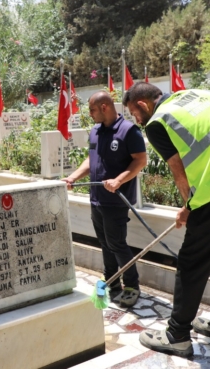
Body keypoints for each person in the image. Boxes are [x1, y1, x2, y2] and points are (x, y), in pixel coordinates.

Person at [123, 83, 210, 357]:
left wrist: (188, 206)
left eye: (134, 113)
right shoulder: (203, 94)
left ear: (143, 104)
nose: (137, 120)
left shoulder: (158, 122)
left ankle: (176, 335)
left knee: (191, 263)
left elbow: (179, 173)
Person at [63, 91, 147, 308]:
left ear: (104, 107)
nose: (89, 114)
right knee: (105, 244)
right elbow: (91, 160)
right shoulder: (96, 131)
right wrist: (73, 177)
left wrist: (119, 180)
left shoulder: (128, 131)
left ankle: (131, 286)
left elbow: (140, 160)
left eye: (92, 110)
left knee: (117, 243)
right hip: (97, 199)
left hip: (116, 200)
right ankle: (112, 283)